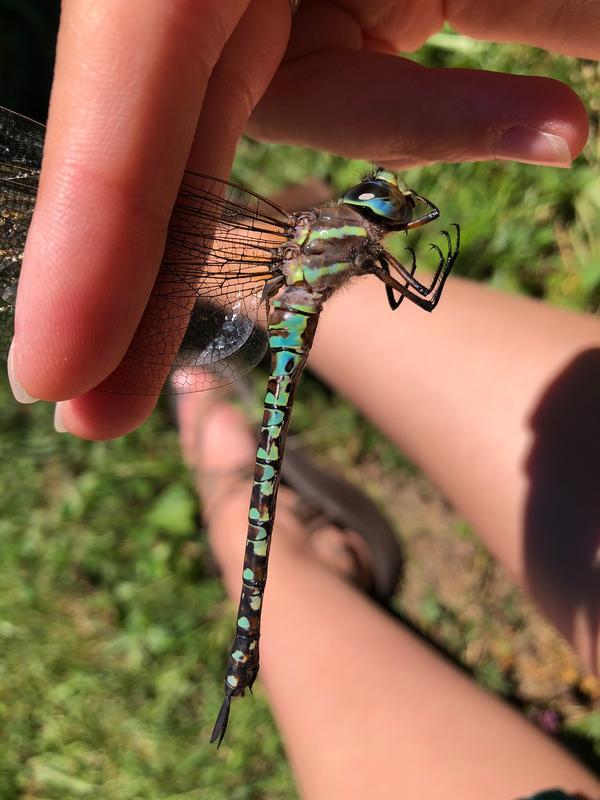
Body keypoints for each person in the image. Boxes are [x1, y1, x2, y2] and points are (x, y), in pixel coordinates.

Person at [6, 1, 600, 796]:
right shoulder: (371, 242)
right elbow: (416, 298)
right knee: (353, 316)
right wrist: (430, 251)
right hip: (311, 277)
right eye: (383, 207)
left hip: (290, 260)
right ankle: (259, 530)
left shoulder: (326, 232)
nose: (389, 205)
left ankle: (250, 519)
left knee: (293, 307)